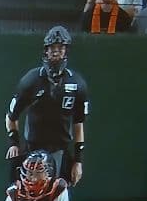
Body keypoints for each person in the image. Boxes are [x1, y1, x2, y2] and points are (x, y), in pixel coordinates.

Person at [5, 25, 89, 186]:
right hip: (32, 150)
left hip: (60, 151)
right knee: (27, 194)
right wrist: (14, 143)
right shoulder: (31, 80)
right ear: (46, 50)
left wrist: (78, 161)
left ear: (66, 51)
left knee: (59, 196)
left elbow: (79, 125)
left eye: (60, 48)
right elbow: (11, 116)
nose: (56, 53)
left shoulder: (77, 83)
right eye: (52, 48)